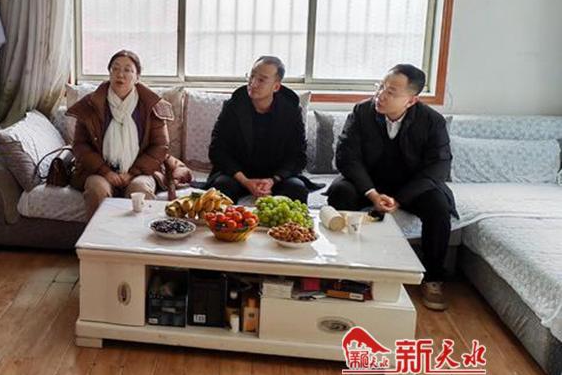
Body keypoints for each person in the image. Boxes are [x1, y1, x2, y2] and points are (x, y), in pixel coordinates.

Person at [327, 63, 454, 311]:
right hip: (369, 182)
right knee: (340, 192)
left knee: (439, 206)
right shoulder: (362, 111)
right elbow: (346, 156)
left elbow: (439, 167)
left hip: (411, 185)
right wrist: (372, 193)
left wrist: (400, 199)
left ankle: (433, 277)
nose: (381, 95)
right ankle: (341, 265)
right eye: (381, 87)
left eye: (391, 92)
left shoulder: (432, 121)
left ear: (411, 100)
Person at [67, 50, 191, 216]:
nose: (120, 75)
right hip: (99, 171)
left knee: (140, 188)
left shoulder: (151, 106)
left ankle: (137, 233)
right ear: (109, 73)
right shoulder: (90, 105)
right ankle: (98, 233)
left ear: (137, 77)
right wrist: (105, 171)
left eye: (128, 70)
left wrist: (133, 173)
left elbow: (160, 146)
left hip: (140, 171)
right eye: (115, 69)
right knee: (97, 189)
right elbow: (80, 146)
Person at [206, 56, 315, 203]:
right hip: (238, 175)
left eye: (261, 80)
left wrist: (273, 180)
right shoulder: (234, 105)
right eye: (251, 76)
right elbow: (217, 150)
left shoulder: (290, 110)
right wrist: (245, 181)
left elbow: (297, 156)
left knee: (297, 189)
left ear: (276, 87)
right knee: (221, 187)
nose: (253, 83)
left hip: (276, 177)